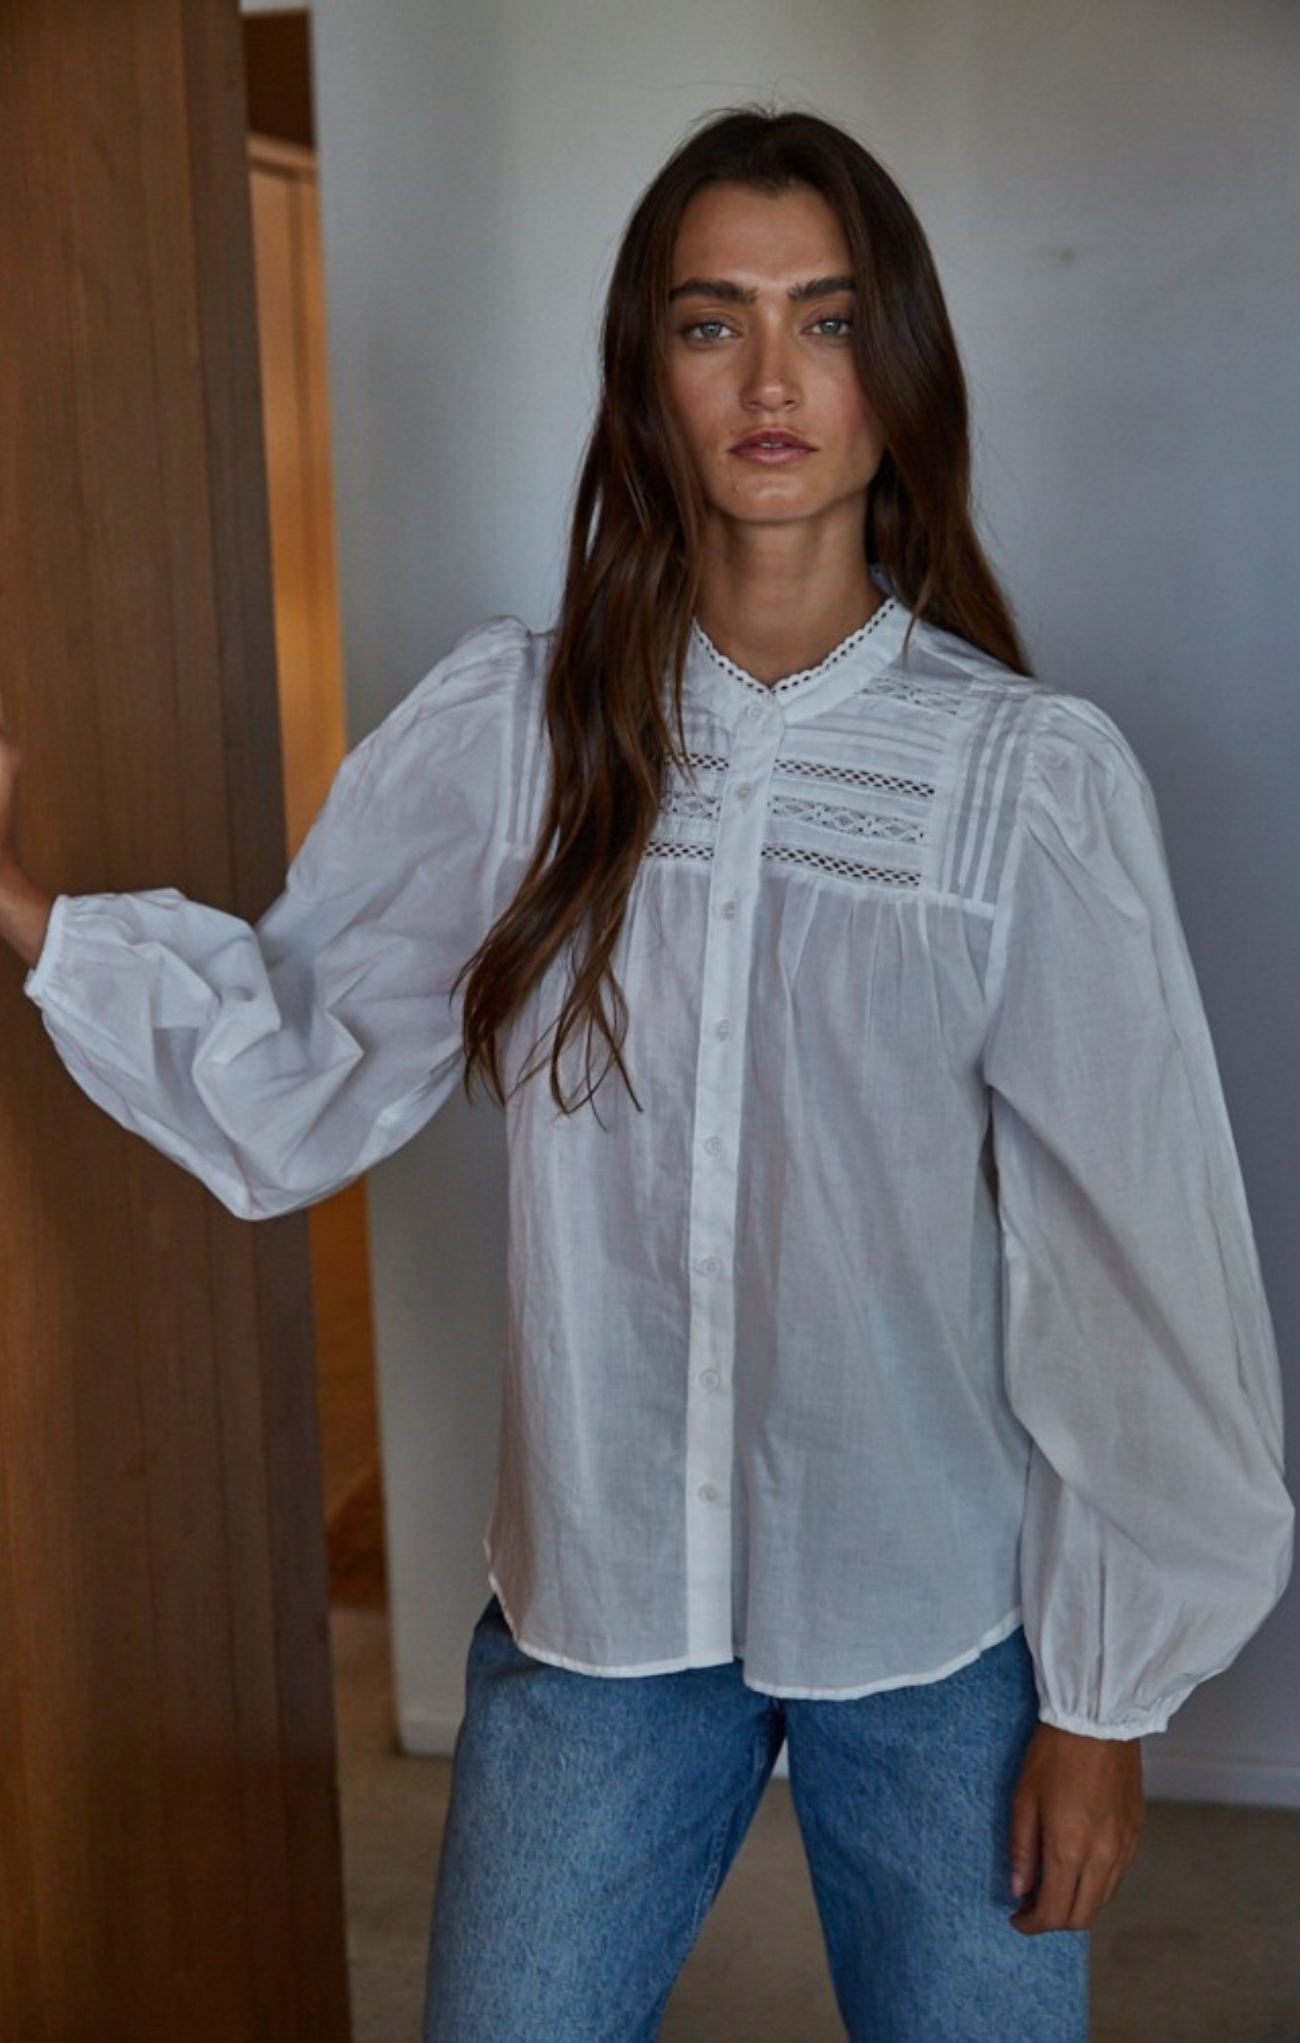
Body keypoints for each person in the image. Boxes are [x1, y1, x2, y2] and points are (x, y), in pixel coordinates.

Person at [0, 108, 1291, 2042]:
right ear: (646, 374)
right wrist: (25, 910)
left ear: (898, 371)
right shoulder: (518, 737)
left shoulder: (1024, 782)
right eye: (713, 323)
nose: (773, 377)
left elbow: (1138, 1258)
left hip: (928, 1616)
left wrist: (1103, 1703)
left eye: (827, 319)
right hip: (601, 1601)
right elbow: (305, 1046)